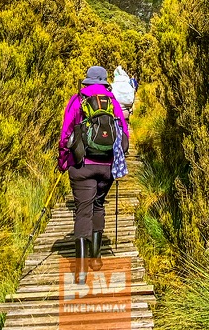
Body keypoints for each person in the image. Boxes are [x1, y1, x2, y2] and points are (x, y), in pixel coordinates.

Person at [58, 65, 130, 284]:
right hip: (107, 166)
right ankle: (96, 259)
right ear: (105, 81)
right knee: (98, 205)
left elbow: (66, 133)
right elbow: (124, 134)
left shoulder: (77, 100)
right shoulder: (113, 102)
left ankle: (81, 270)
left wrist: (63, 161)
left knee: (83, 211)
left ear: (87, 81)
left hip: (82, 165)